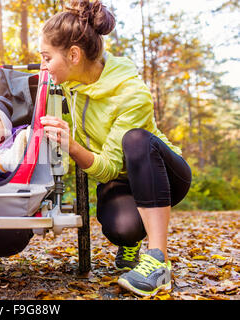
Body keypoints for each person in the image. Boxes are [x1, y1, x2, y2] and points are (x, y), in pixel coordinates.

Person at [39, 0, 192, 297]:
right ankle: (132, 241)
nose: (43, 66)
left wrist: (71, 146)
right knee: (119, 229)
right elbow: (110, 174)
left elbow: (107, 167)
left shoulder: (132, 93)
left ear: (73, 55)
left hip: (162, 172)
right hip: (122, 182)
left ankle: (158, 260)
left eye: (46, 58)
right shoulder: (72, 82)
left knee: (135, 139)